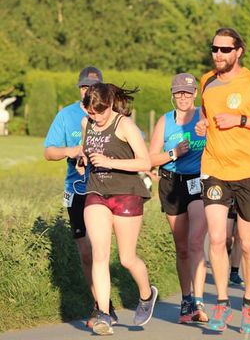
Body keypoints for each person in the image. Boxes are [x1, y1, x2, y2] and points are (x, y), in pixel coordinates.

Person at [195, 27, 250, 334]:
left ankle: (248, 303)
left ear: (238, 52)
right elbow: (205, 116)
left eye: (224, 50)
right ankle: (221, 302)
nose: (218, 55)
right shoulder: (206, 82)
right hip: (215, 168)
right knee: (217, 239)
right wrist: (203, 125)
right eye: (214, 49)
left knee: (247, 244)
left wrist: (242, 120)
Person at [80, 82, 158, 335]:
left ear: (110, 105)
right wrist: (83, 160)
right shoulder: (87, 124)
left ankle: (146, 295)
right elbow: (87, 151)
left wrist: (111, 162)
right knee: (99, 253)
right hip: (96, 191)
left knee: (126, 258)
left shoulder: (124, 125)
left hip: (127, 193)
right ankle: (104, 313)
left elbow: (145, 161)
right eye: (91, 112)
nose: (95, 117)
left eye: (100, 112)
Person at [44, 66, 118, 327]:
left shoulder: (112, 112)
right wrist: (70, 150)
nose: (89, 91)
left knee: (101, 249)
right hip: (76, 190)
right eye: (85, 87)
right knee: (87, 252)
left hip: (106, 188)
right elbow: (48, 151)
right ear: (80, 88)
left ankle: (103, 307)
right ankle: (102, 303)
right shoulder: (66, 115)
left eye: (94, 87)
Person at [149, 73, 208, 324]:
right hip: (171, 184)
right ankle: (186, 299)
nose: (183, 97)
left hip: (198, 182)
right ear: (173, 95)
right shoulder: (165, 121)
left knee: (195, 242)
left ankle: (200, 301)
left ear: (195, 93)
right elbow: (150, 158)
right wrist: (174, 152)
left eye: (187, 92)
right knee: (182, 247)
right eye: (178, 93)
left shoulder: (203, 117)